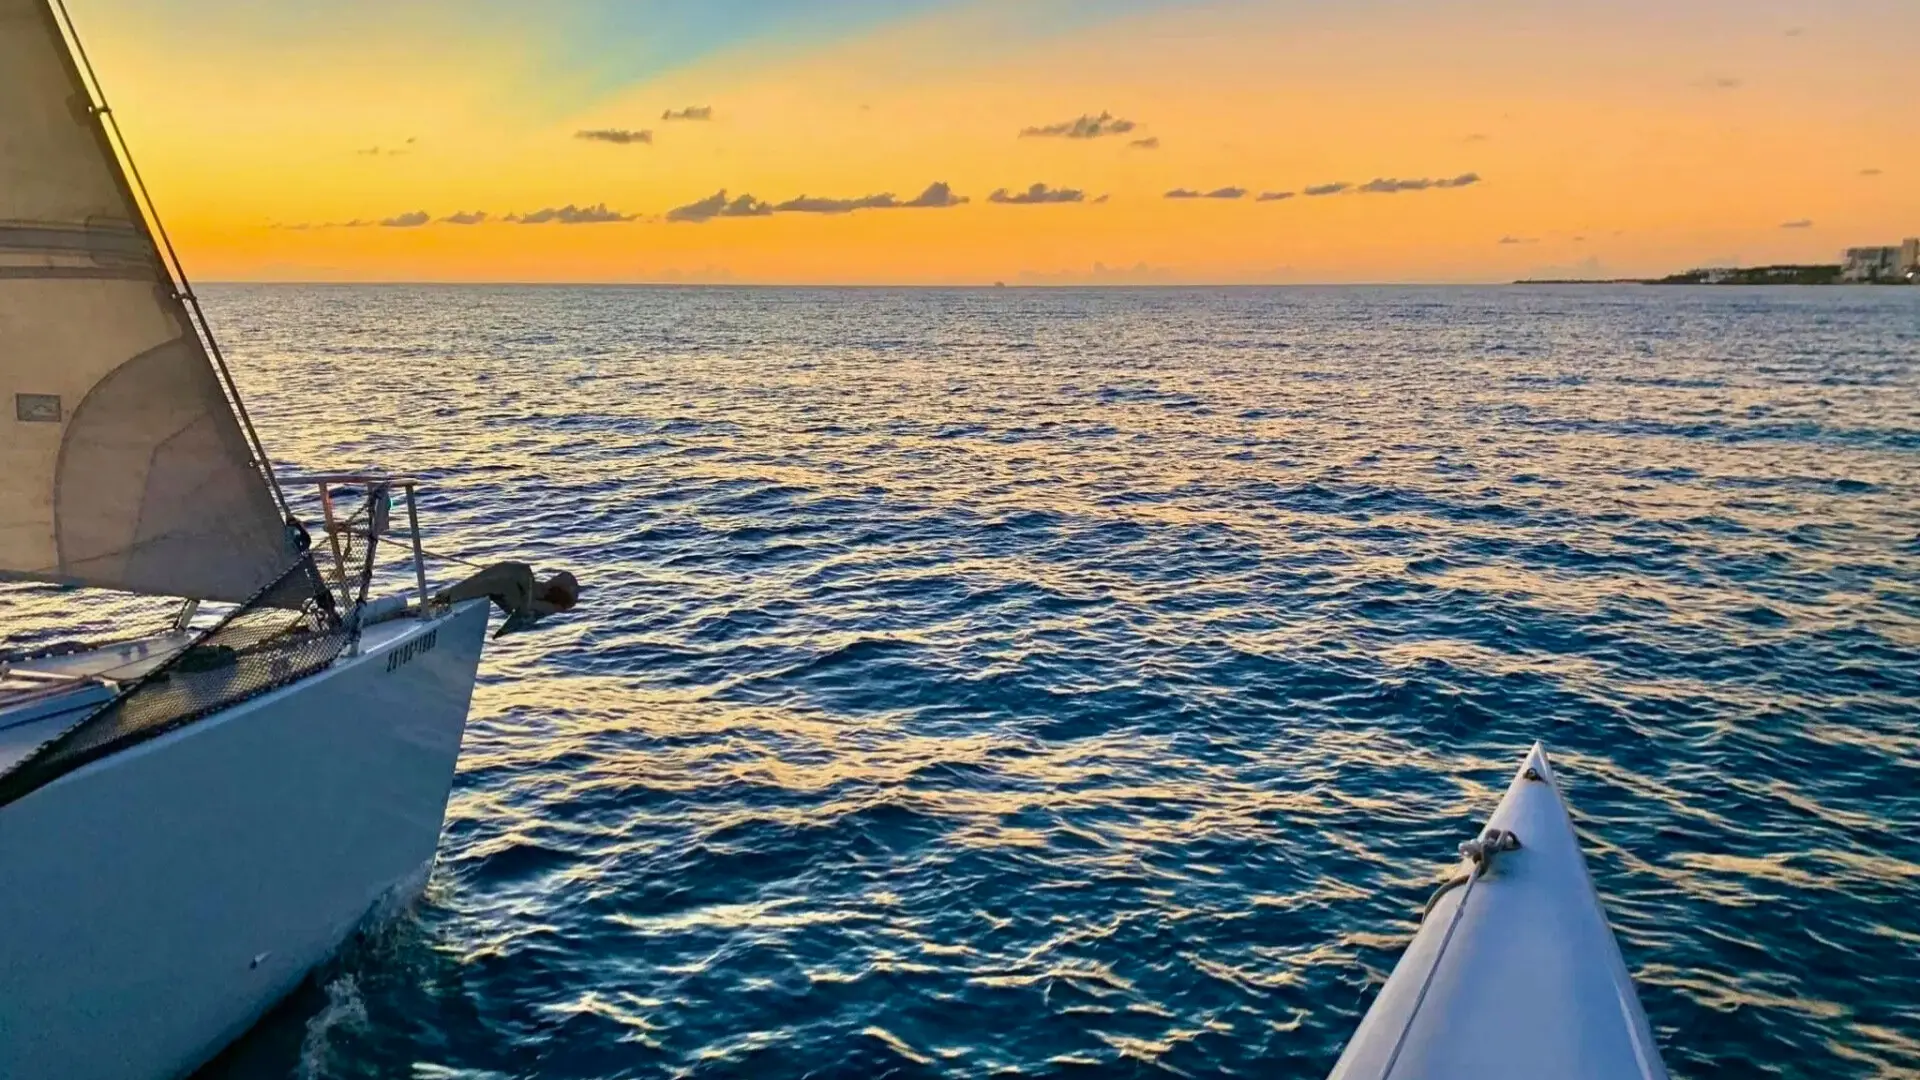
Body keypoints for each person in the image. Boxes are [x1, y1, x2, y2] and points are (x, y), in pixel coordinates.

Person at [433, 562, 578, 635]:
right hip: (521, 592)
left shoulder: (549, 606)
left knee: (503, 581)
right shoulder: (545, 592)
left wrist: (527, 589)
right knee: (512, 574)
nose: (552, 580)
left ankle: (450, 595)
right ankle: (450, 595)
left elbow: (524, 611)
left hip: (520, 599)